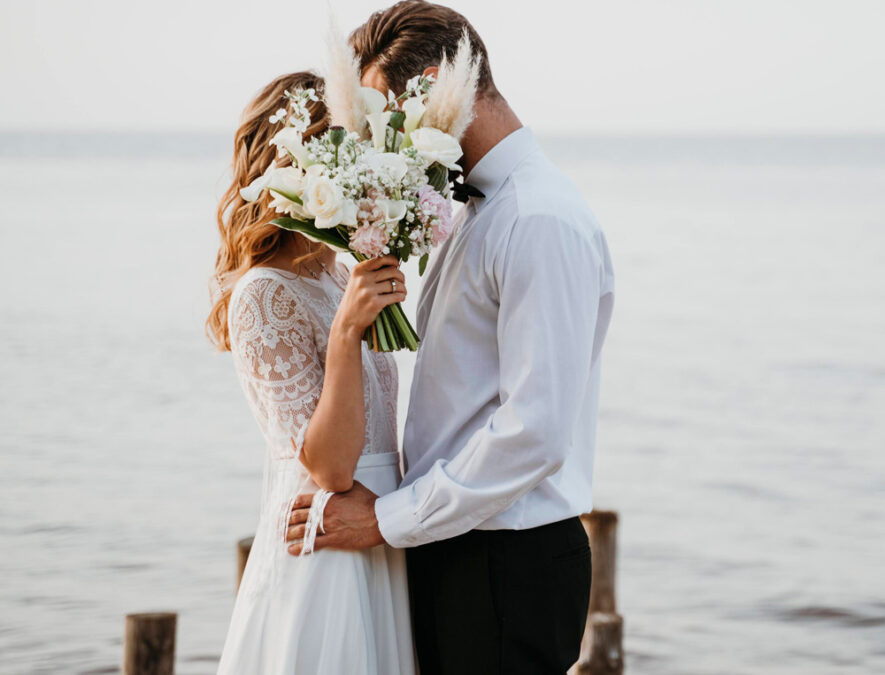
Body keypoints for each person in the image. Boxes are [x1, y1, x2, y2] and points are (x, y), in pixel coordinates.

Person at [286, 2, 616, 673]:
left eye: (381, 113)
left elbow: (536, 429)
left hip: (506, 562)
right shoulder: (473, 212)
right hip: (460, 549)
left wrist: (386, 519)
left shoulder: (536, 218)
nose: (376, 139)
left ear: (433, 86)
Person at [208, 71, 416, 674]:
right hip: (327, 550)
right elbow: (328, 467)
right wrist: (348, 331)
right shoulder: (262, 293)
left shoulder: (336, 273)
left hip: (378, 527)